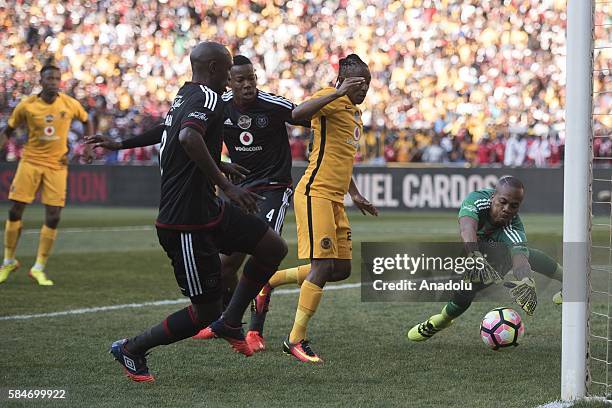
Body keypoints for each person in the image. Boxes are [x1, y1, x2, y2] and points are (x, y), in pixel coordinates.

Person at [88, 42, 287, 382]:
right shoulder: (207, 98)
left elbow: (172, 134)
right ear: (212, 68)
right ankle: (132, 349)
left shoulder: (186, 94)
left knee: (273, 247)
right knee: (203, 311)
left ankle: (231, 321)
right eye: (226, 70)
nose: (230, 77)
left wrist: (120, 144)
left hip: (209, 209)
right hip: (185, 222)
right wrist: (227, 185)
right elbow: (187, 139)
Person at [191, 55, 309, 352]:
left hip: (273, 188)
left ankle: (256, 330)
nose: (248, 85)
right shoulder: (219, 107)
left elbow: (309, 117)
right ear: (228, 82)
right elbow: (196, 141)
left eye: (251, 78)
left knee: (264, 252)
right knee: (225, 265)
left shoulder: (273, 105)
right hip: (239, 189)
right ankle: (230, 321)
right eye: (240, 80)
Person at [269, 54, 379, 363]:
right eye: (358, 82)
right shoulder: (330, 100)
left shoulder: (355, 114)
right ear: (343, 80)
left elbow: (342, 160)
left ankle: (271, 281)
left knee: (340, 269)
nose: (364, 88)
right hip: (315, 193)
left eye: (367, 83)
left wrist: (355, 194)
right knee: (322, 266)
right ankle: (295, 339)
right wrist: (338, 91)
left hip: (335, 198)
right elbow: (296, 113)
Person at [407, 176, 563, 342]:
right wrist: (475, 255)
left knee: (469, 287)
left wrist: (525, 279)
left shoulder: (514, 227)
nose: (507, 209)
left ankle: (440, 321)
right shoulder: (477, 200)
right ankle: (444, 320)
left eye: (514, 206)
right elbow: (467, 228)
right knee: (462, 286)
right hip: (474, 247)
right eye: (502, 202)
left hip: (498, 257)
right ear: (493, 197)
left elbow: (520, 259)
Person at [0, 60, 93, 285]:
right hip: (30, 161)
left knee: (53, 215)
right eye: (49, 79)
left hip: (56, 165)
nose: (53, 83)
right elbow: (9, 130)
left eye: (56, 79)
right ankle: (8, 261)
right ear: (40, 81)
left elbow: (87, 120)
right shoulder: (27, 105)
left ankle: (39, 267)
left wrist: (88, 145)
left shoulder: (69, 104)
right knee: (15, 210)